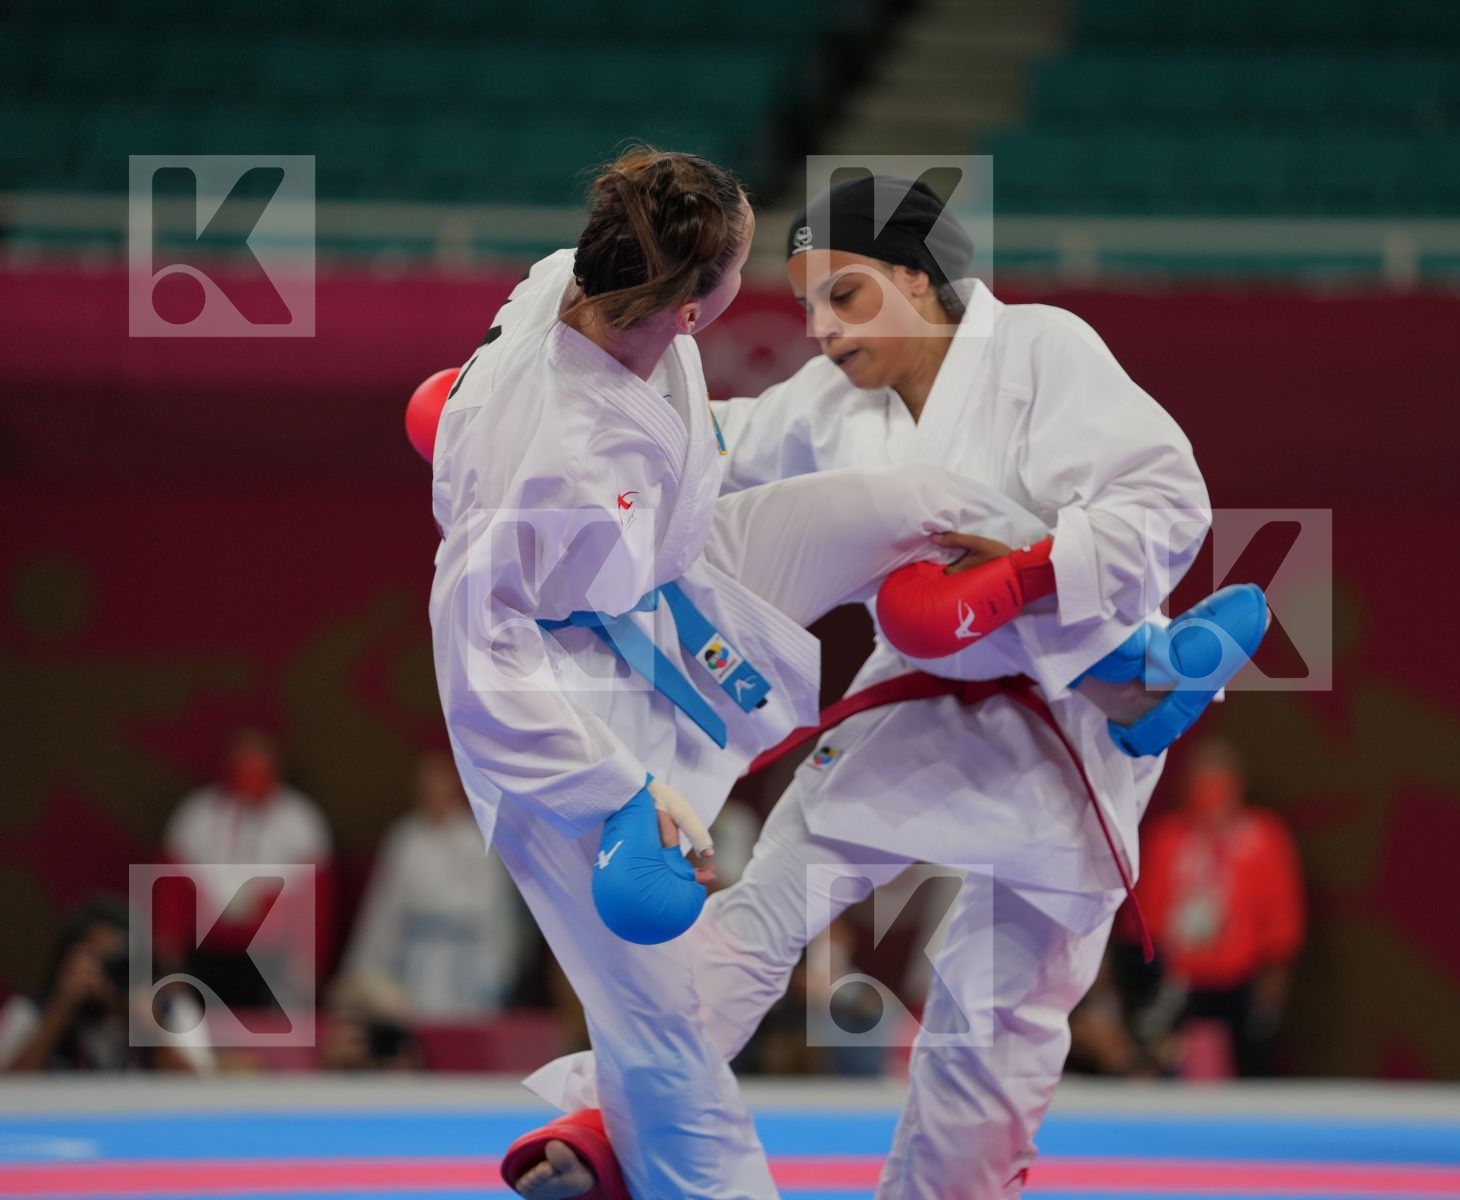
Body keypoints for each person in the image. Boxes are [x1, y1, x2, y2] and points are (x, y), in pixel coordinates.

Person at [425, 149, 1225, 1200]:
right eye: (809, 306)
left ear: (924, 279)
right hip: (926, 695)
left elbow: (1170, 502)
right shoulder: (830, 404)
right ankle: (619, 1118)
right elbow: (722, 440)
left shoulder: (1044, 351)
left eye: (847, 296)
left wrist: (1027, 578)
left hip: (1069, 723)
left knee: (997, 1018)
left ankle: (1140, 671)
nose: (827, 330)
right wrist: (484, 420)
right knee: (765, 911)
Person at [1129, 739, 1305, 1078]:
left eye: (1219, 777)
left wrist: (1272, 991)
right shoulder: (1166, 839)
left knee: (1251, 1071)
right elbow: (1142, 921)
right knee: (1164, 1069)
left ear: (1238, 781)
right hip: (1177, 983)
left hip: (1241, 983)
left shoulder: (1264, 837)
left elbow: (1282, 922)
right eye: (1201, 778)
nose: (1210, 790)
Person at [341, 750, 526, 1018]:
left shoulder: (478, 837)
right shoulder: (404, 839)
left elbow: (497, 910)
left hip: (469, 964)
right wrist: (367, 967)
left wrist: (501, 969)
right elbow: (385, 909)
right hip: (418, 962)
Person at [162, 727, 334, 1008]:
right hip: (206, 952)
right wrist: (168, 950)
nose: (249, 769)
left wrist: (308, 960)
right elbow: (170, 889)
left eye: (258, 759)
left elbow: (316, 903)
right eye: (243, 759)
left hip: (270, 956)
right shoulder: (196, 816)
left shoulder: (301, 822)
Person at [0, 896, 212, 1073]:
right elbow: (9, 1095)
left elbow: (199, 1096)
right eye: (99, 961)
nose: (108, 975)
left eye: (120, 963)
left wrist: (151, 1031)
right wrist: (60, 1010)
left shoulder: (173, 1011)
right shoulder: (30, 1012)